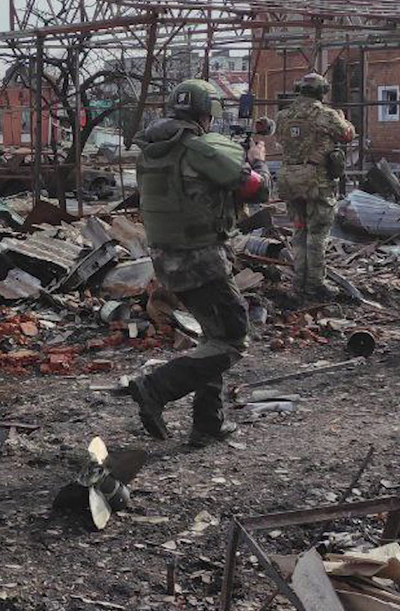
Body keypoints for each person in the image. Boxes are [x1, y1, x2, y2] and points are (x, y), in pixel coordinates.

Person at [123, 79, 272, 447]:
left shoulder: (151, 151)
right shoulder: (200, 150)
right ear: (206, 116)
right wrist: (258, 162)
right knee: (233, 339)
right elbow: (257, 189)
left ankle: (208, 422)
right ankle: (155, 388)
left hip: (166, 259)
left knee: (213, 336)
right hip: (202, 259)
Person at [274, 72, 355, 300]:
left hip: (290, 179)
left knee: (299, 229)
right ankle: (315, 284)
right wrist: (343, 118)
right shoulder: (325, 115)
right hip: (316, 181)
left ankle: (299, 282)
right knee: (317, 232)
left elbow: (282, 139)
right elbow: (347, 134)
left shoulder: (283, 115)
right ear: (322, 92)